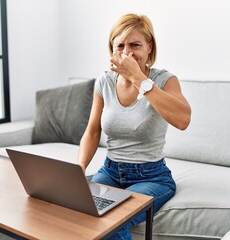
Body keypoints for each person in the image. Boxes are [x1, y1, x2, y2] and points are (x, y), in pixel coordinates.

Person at [77, 13, 191, 240]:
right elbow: (92, 131)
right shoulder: (105, 81)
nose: (127, 53)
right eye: (120, 46)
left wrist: (138, 78)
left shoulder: (164, 80)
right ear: (112, 50)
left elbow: (183, 120)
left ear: (149, 47)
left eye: (135, 45)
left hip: (152, 177)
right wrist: (79, 169)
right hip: (110, 171)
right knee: (79, 212)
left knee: (111, 222)